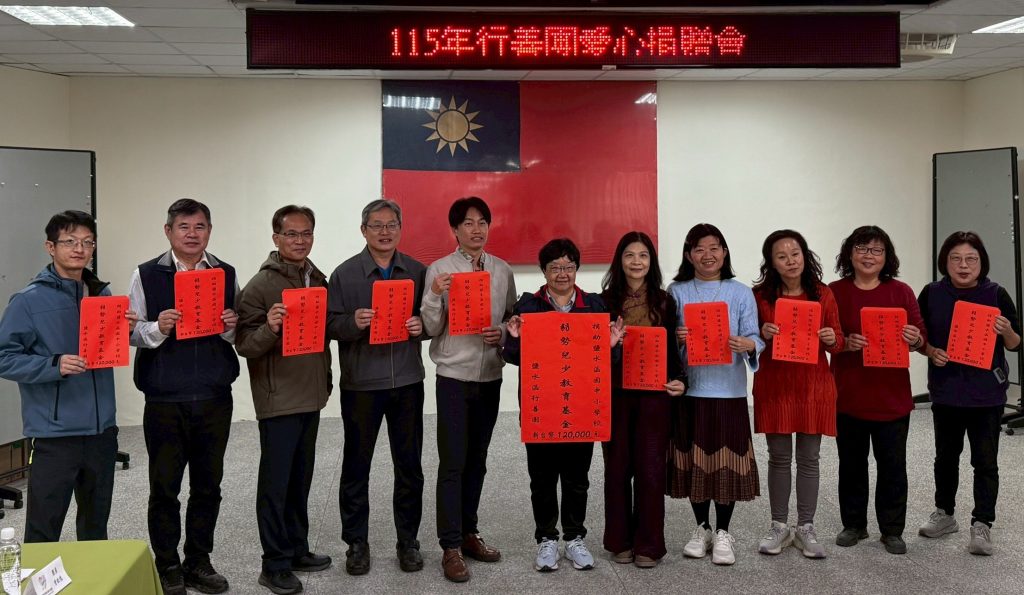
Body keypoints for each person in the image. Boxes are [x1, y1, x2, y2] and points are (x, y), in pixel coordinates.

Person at [0, 210, 134, 543]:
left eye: (87, 242)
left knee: (95, 527)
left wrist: (124, 329)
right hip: (55, 434)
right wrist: (54, 365)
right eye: (70, 241)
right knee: (43, 529)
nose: (79, 249)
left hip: (102, 431)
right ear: (50, 247)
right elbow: (4, 357)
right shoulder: (27, 301)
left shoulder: (102, 295)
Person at [129, 198, 240, 595]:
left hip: (213, 395)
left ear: (209, 230)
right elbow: (130, 331)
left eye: (200, 227)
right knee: (165, 487)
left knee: (209, 485)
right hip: (165, 398)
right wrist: (157, 328)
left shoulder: (225, 273)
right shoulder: (146, 274)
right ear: (168, 231)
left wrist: (231, 325)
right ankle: (168, 564)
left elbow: (237, 333)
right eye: (184, 227)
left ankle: (198, 560)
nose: (192, 234)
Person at [502, 238, 623, 573]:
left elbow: (607, 362)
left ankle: (574, 537)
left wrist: (612, 345)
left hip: (581, 405)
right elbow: (513, 357)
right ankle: (546, 538)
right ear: (543, 271)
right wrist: (513, 339)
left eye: (568, 267)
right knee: (541, 477)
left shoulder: (595, 306)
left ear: (577, 269)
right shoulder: (528, 306)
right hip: (541, 405)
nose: (562, 273)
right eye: (555, 267)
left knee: (576, 476)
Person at [326, 199, 427, 576]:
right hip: (361, 385)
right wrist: (352, 322)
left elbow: (434, 318)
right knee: (357, 466)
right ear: (363, 230)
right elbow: (327, 324)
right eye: (376, 225)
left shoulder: (417, 271)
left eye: (391, 225)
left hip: (407, 381)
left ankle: (408, 541)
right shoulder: (344, 274)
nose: (385, 232)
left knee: (409, 466)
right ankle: (356, 543)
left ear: (400, 228)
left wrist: (422, 327)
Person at [235, 205, 333, 594]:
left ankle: (296, 549)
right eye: (291, 234)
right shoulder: (260, 285)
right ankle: (273, 563)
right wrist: (271, 327)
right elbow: (245, 345)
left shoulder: (318, 278)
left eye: (306, 233)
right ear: (276, 238)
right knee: (275, 485)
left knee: (300, 478)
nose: (300, 240)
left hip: (310, 394)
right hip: (278, 398)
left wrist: (326, 381)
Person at [420, 197, 516, 582]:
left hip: (490, 376)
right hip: (454, 378)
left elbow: (512, 317)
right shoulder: (440, 270)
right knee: (453, 462)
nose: (476, 229)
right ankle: (450, 546)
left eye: (482, 222)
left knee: (478, 459)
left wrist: (502, 333)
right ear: (455, 230)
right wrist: (433, 294)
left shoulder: (502, 269)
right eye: (468, 223)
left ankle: (469, 532)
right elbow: (430, 327)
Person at [915, 231, 1020, 556]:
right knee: (945, 458)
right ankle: (944, 514)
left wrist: (1007, 331)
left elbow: (1016, 344)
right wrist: (930, 351)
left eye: (971, 259)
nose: (963, 265)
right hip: (946, 391)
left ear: (981, 262)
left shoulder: (996, 293)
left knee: (985, 461)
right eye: (956, 259)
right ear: (945, 262)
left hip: (986, 394)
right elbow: (918, 338)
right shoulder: (932, 293)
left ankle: (982, 523)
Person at [666, 223, 763, 566]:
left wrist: (748, 344)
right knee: (695, 462)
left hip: (729, 391)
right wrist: (676, 338)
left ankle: (723, 531)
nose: (707, 255)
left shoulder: (740, 293)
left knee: (725, 463)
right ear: (689, 255)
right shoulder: (676, 291)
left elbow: (755, 336)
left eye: (714, 248)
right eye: (699, 249)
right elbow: (665, 341)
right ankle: (702, 527)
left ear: (724, 252)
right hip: (690, 390)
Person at [828, 225, 925, 555]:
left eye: (876, 250)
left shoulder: (901, 292)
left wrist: (915, 339)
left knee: (893, 468)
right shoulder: (834, 291)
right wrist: (844, 344)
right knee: (851, 466)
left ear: (887, 257)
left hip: (891, 398)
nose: (869, 256)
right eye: (862, 248)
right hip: (848, 396)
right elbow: (824, 337)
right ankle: (854, 524)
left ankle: (892, 530)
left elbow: (921, 337)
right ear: (850, 254)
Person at [752, 230, 843, 559]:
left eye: (795, 254)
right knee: (778, 457)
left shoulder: (823, 294)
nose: (790, 261)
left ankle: (806, 526)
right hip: (775, 385)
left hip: (812, 386)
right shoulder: (760, 296)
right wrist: (761, 333)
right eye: (782, 256)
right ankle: (779, 525)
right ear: (771, 263)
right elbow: (749, 340)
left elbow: (839, 342)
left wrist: (831, 338)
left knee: (808, 458)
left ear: (805, 256)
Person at [599, 231, 686, 569]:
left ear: (651, 262)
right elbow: (594, 354)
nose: (636, 262)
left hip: (654, 396)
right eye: (630, 255)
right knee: (617, 469)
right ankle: (619, 540)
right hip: (616, 395)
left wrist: (680, 380)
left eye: (643, 255)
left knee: (650, 471)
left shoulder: (665, 302)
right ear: (619, 261)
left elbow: (673, 352)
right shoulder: (604, 302)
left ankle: (649, 544)